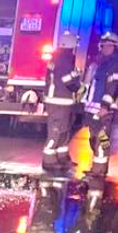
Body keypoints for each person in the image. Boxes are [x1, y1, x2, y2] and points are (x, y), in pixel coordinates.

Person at [82, 32, 118, 177]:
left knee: (102, 138)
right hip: (94, 107)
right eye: (103, 45)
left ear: (116, 48)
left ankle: (99, 170)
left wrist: (105, 106)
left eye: (108, 46)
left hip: (103, 109)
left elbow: (113, 87)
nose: (104, 48)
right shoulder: (103, 62)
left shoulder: (116, 64)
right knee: (94, 137)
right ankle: (97, 166)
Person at [41, 32, 84, 173]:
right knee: (56, 131)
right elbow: (67, 81)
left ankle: (62, 157)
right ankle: (49, 161)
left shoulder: (58, 58)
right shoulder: (64, 60)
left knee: (64, 131)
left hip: (62, 101)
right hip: (59, 101)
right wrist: (79, 88)